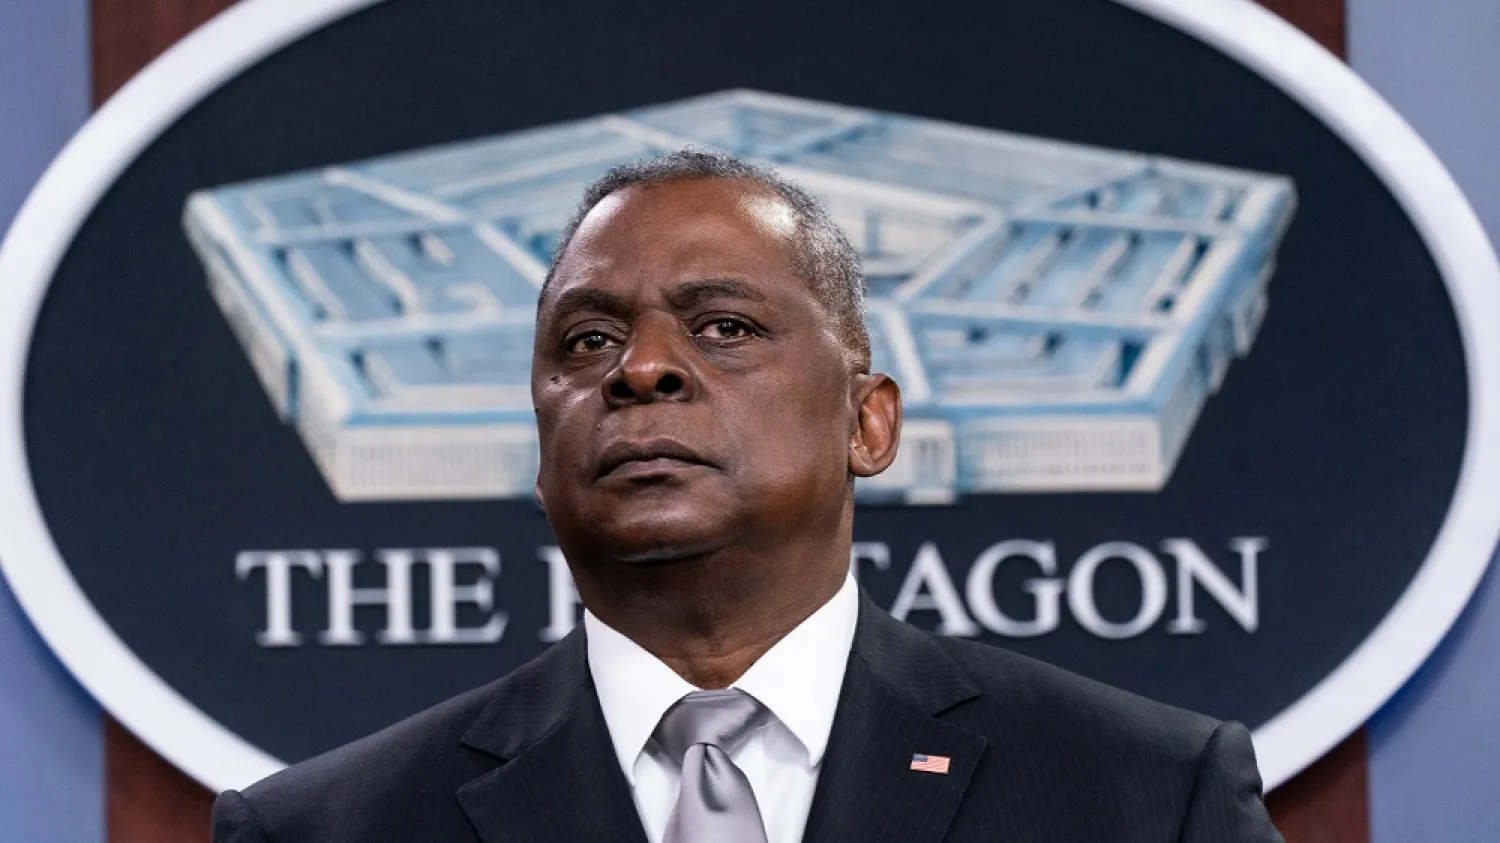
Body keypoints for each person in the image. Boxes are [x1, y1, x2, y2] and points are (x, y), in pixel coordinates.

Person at [212, 149, 1284, 842]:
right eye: (587, 341)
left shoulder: (1145, 795)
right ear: (540, 449)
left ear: (868, 424)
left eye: (724, 326)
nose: (640, 369)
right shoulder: (320, 831)